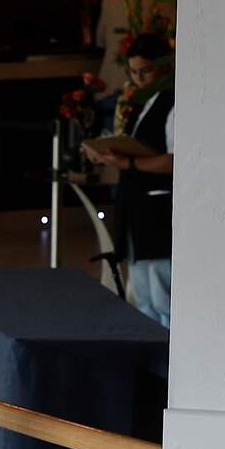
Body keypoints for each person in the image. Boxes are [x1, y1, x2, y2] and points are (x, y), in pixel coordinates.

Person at [83, 31, 174, 327]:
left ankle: (170, 366)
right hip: (136, 211)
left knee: (165, 299)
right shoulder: (143, 102)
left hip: (159, 211)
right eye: (133, 72)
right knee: (143, 298)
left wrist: (128, 161)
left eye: (145, 70)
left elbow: (175, 161)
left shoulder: (172, 102)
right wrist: (109, 155)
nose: (138, 78)